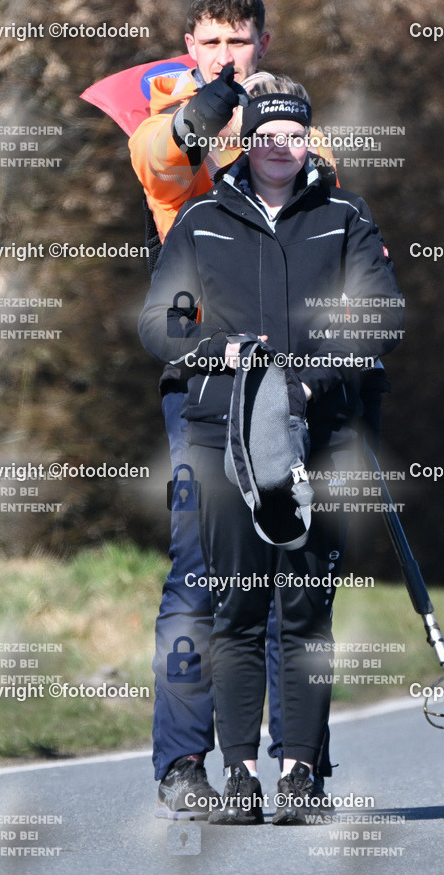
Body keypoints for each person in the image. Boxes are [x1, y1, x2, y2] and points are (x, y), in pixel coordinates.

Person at [138, 78, 404, 823]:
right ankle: (240, 775)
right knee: (236, 608)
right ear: (245, 141)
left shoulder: (342, 216)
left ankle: (300, 776)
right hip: (220, 438)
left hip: (318, 436)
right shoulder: (201, 219)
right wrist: (217, 350)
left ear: (308, 141)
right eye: (264, 133)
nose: (278, 146)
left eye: (292, 134)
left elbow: (379, 313)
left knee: (305, 608)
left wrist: (314, 379)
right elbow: (160, 324)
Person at [128, 0, 337, 816]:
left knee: (293, 564)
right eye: (211, 42)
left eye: (239, 43)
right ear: (190, 47)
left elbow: (315, 200)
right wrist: (217, 101)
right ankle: (183, 765)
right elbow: (167, 155)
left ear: (262, 43)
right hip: (205, 374)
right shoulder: (165, 116)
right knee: (199, 573)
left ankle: (296, 768)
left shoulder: (296, 127)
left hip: (283, 375)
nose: (226, 55)